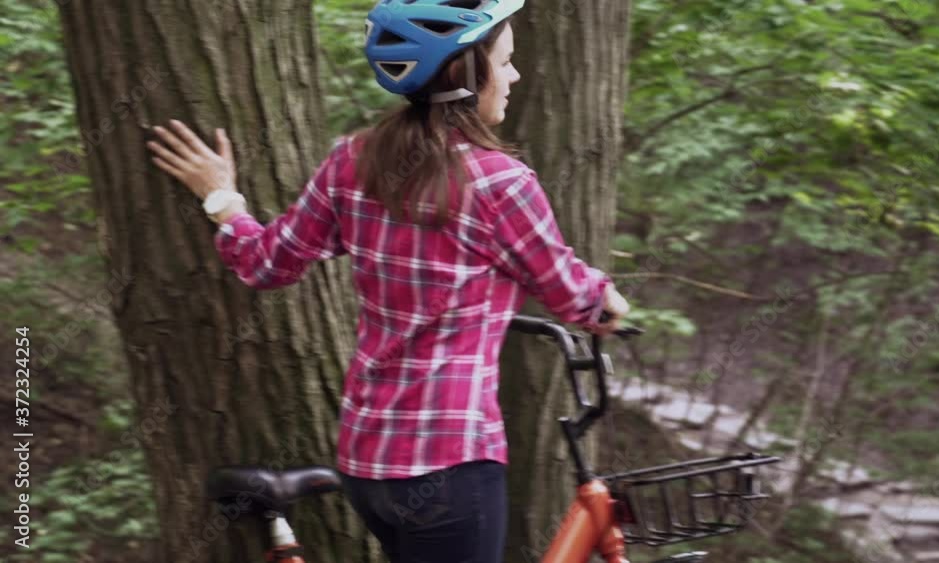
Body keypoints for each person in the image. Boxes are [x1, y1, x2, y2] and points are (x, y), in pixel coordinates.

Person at [146, 1, 630, 561]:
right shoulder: (501, 182)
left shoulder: (352, 161)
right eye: (505, 62)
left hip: (368, 463)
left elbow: (265, 263)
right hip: (449, 462)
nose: (515, 76)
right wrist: (608, 302)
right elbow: (575, 297)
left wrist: (222, 198)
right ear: (466, 73)